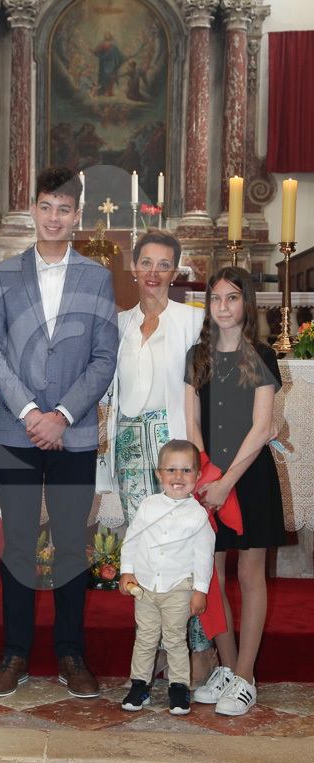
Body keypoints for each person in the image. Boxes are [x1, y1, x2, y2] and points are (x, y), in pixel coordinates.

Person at [0, 165, 118, 698]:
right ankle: (14, 653)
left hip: (73, 435)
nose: (54, 217)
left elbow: (104, 357)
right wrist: (30, 410)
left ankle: (71, 652)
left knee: (71, 546)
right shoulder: (5, 273)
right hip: (16, 431)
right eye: (45, 206)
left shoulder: (97, 277)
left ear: (77, 215)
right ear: (32, 210)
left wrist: (62, 415)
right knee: (17, 543)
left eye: (64, 209)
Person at [108, 228, 215, 686]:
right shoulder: (118, 324)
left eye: (163, 264)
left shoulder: (192, 320)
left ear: (175, 271)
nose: (153, 272)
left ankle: (196, 649)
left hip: (175, 447)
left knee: (182, 547)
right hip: (131, 448)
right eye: (146, 263)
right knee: (148, 547)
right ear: (134, 268)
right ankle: (153, 646)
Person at [185, 266, 286, 716]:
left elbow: (262, 427)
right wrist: (206, 474)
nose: (223, 307)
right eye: (216, 298)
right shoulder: (197, 356)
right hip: (208, 479)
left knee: (250, 574)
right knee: (211, 574)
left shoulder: (260, 354)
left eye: (232, 297)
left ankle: (245, 677)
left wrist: (227, 482)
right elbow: (192, 421)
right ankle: (226, 668)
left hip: (250, 479)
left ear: (247, 303)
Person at [119, 440, 215, 715]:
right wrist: (127, 571)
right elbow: (132, 540)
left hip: (178, 587)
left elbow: (204, 556)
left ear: (197, 475)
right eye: (171, 470)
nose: (178, 477)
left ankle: (179, 688)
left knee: (175, 640)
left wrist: (200, 591)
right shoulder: (148, 506)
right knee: (145, 638)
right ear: (159, 474)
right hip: (146, 587)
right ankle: (139, 686)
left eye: (186, 470)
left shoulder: (198, 516)